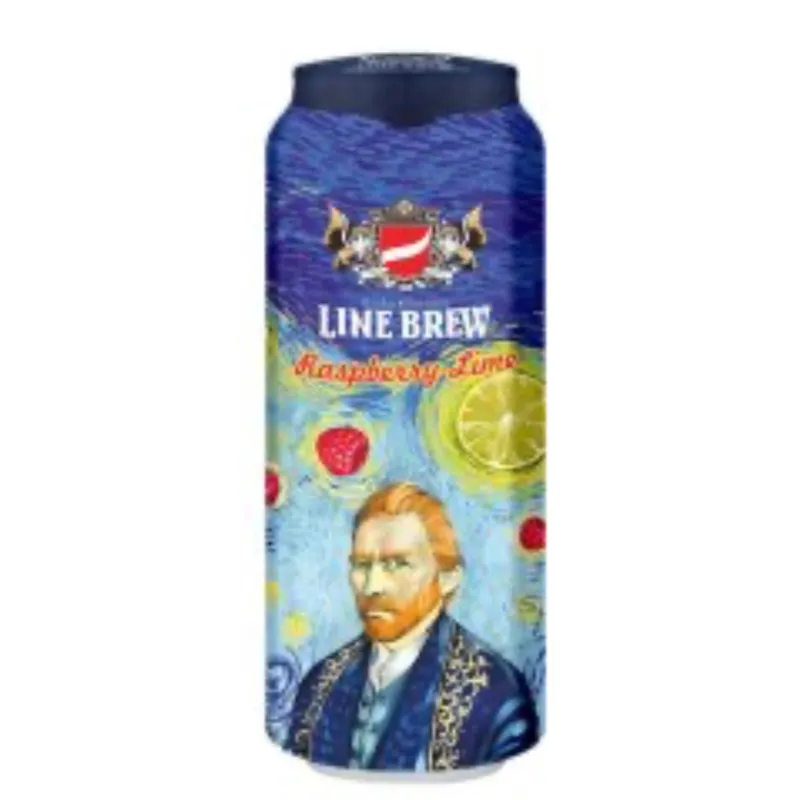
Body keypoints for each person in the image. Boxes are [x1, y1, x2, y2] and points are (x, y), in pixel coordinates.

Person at [286, 482, 539, 771]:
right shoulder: (320, 682)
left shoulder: (496, 692)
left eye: (398, 564)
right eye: (362, 565)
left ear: (448, 578)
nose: (372, 586)